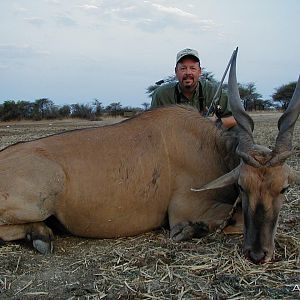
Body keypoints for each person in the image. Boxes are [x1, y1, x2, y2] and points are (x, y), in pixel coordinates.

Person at [151, 48, 237, 128]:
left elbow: (237, 118)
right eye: (183, 68)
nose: (188, 72)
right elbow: (152, 125)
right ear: (176, 72)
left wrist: (216, 123)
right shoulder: (161, 95)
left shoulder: (216, 92)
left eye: (192, 68)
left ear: (199, 71)